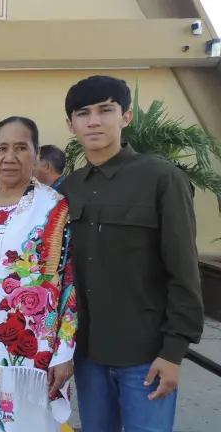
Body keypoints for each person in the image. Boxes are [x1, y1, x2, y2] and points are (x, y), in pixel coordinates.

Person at [60, 75, 203, 432]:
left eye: (105, 110)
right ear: (71, 124)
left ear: (125, 117)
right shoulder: (68, 189)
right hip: (88, 354)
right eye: (83, 113)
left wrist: (174, 351)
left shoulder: (161, 179)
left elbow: (183, 271)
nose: (94, 120)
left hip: (145, 354)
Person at [0, 117, 76, 431]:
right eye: (2, 148)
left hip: (33, 356)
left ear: (36, 155)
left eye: (21, 148)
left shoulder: (54, 208)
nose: (9, 157)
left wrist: (65, 351)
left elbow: (70, 284)